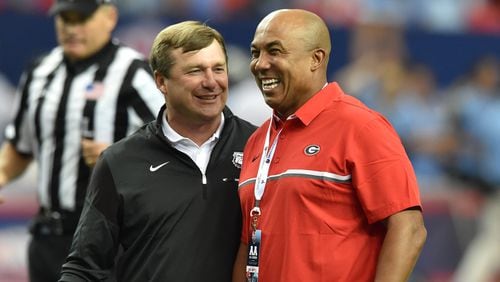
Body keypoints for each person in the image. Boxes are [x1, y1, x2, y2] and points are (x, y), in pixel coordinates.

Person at [232, 9, 427, 282]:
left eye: (274, 51)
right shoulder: (257, 140)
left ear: (316, 58)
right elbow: (249, 240)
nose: (260, 64)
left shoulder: (361, 127)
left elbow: (409, 230)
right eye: (256, 53)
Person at [58, 21, 257, 281]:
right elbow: (85, 266)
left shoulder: (261, 146)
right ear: (161, 81)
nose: (211, 82)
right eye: (195, 71)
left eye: (218, 69)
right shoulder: (121, 162)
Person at [0, 0, 164, 281]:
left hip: (109, 239)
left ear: (110, 17)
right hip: (48, 237)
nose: (72, 28)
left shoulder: (134, 73)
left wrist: (121, 156)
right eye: (65, 18)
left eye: (82, 18)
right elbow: (20, 145)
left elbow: (177, 145)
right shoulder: (40, 71)